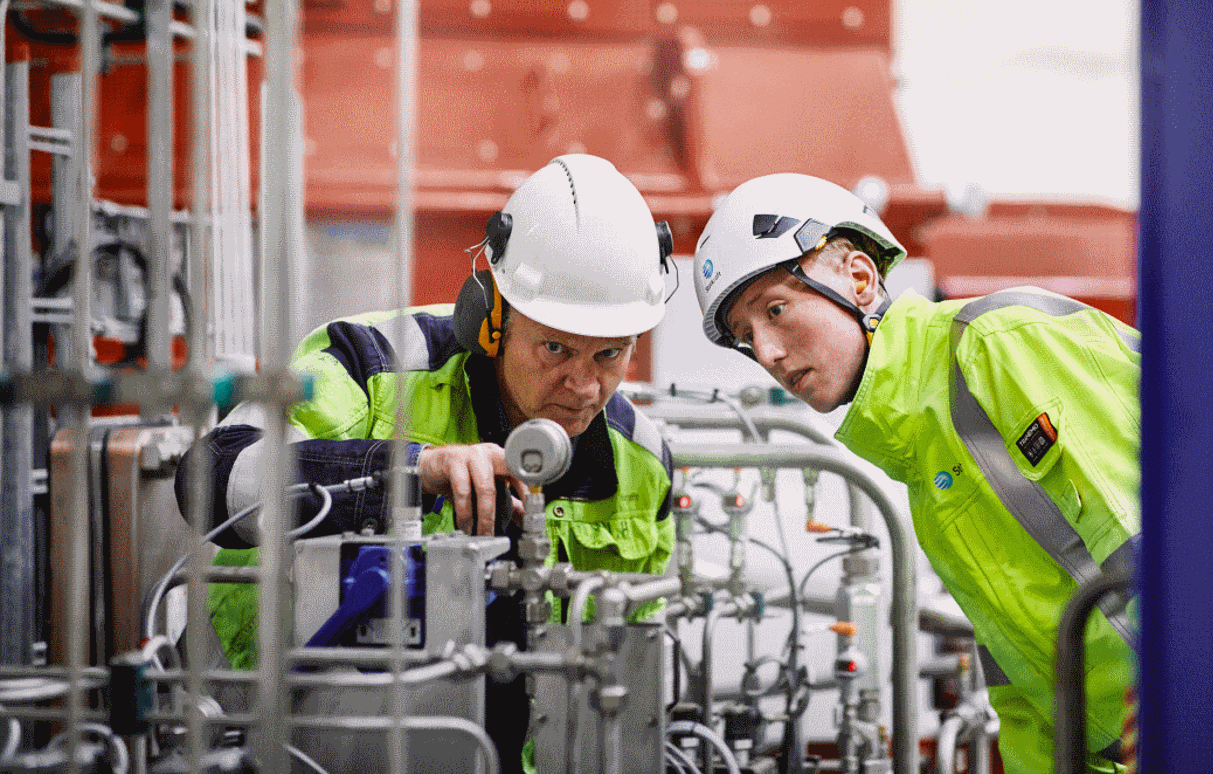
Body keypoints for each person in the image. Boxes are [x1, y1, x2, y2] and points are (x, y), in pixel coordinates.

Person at [175, 154, 677, 774]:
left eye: (610, 353)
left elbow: (631, 682)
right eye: (554, 347)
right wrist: (412, 471)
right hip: (263, 737)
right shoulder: (371, 364)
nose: (583, 385)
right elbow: (212, 476)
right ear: (492, 315)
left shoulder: (641, 464)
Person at [692, 173, 1139, 774]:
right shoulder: (927, 464)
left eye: (776, 310)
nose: (768, 353)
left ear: (858, 278)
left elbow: (1162, 568)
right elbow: (1027, 683)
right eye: (748, 336)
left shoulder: (998, 346)